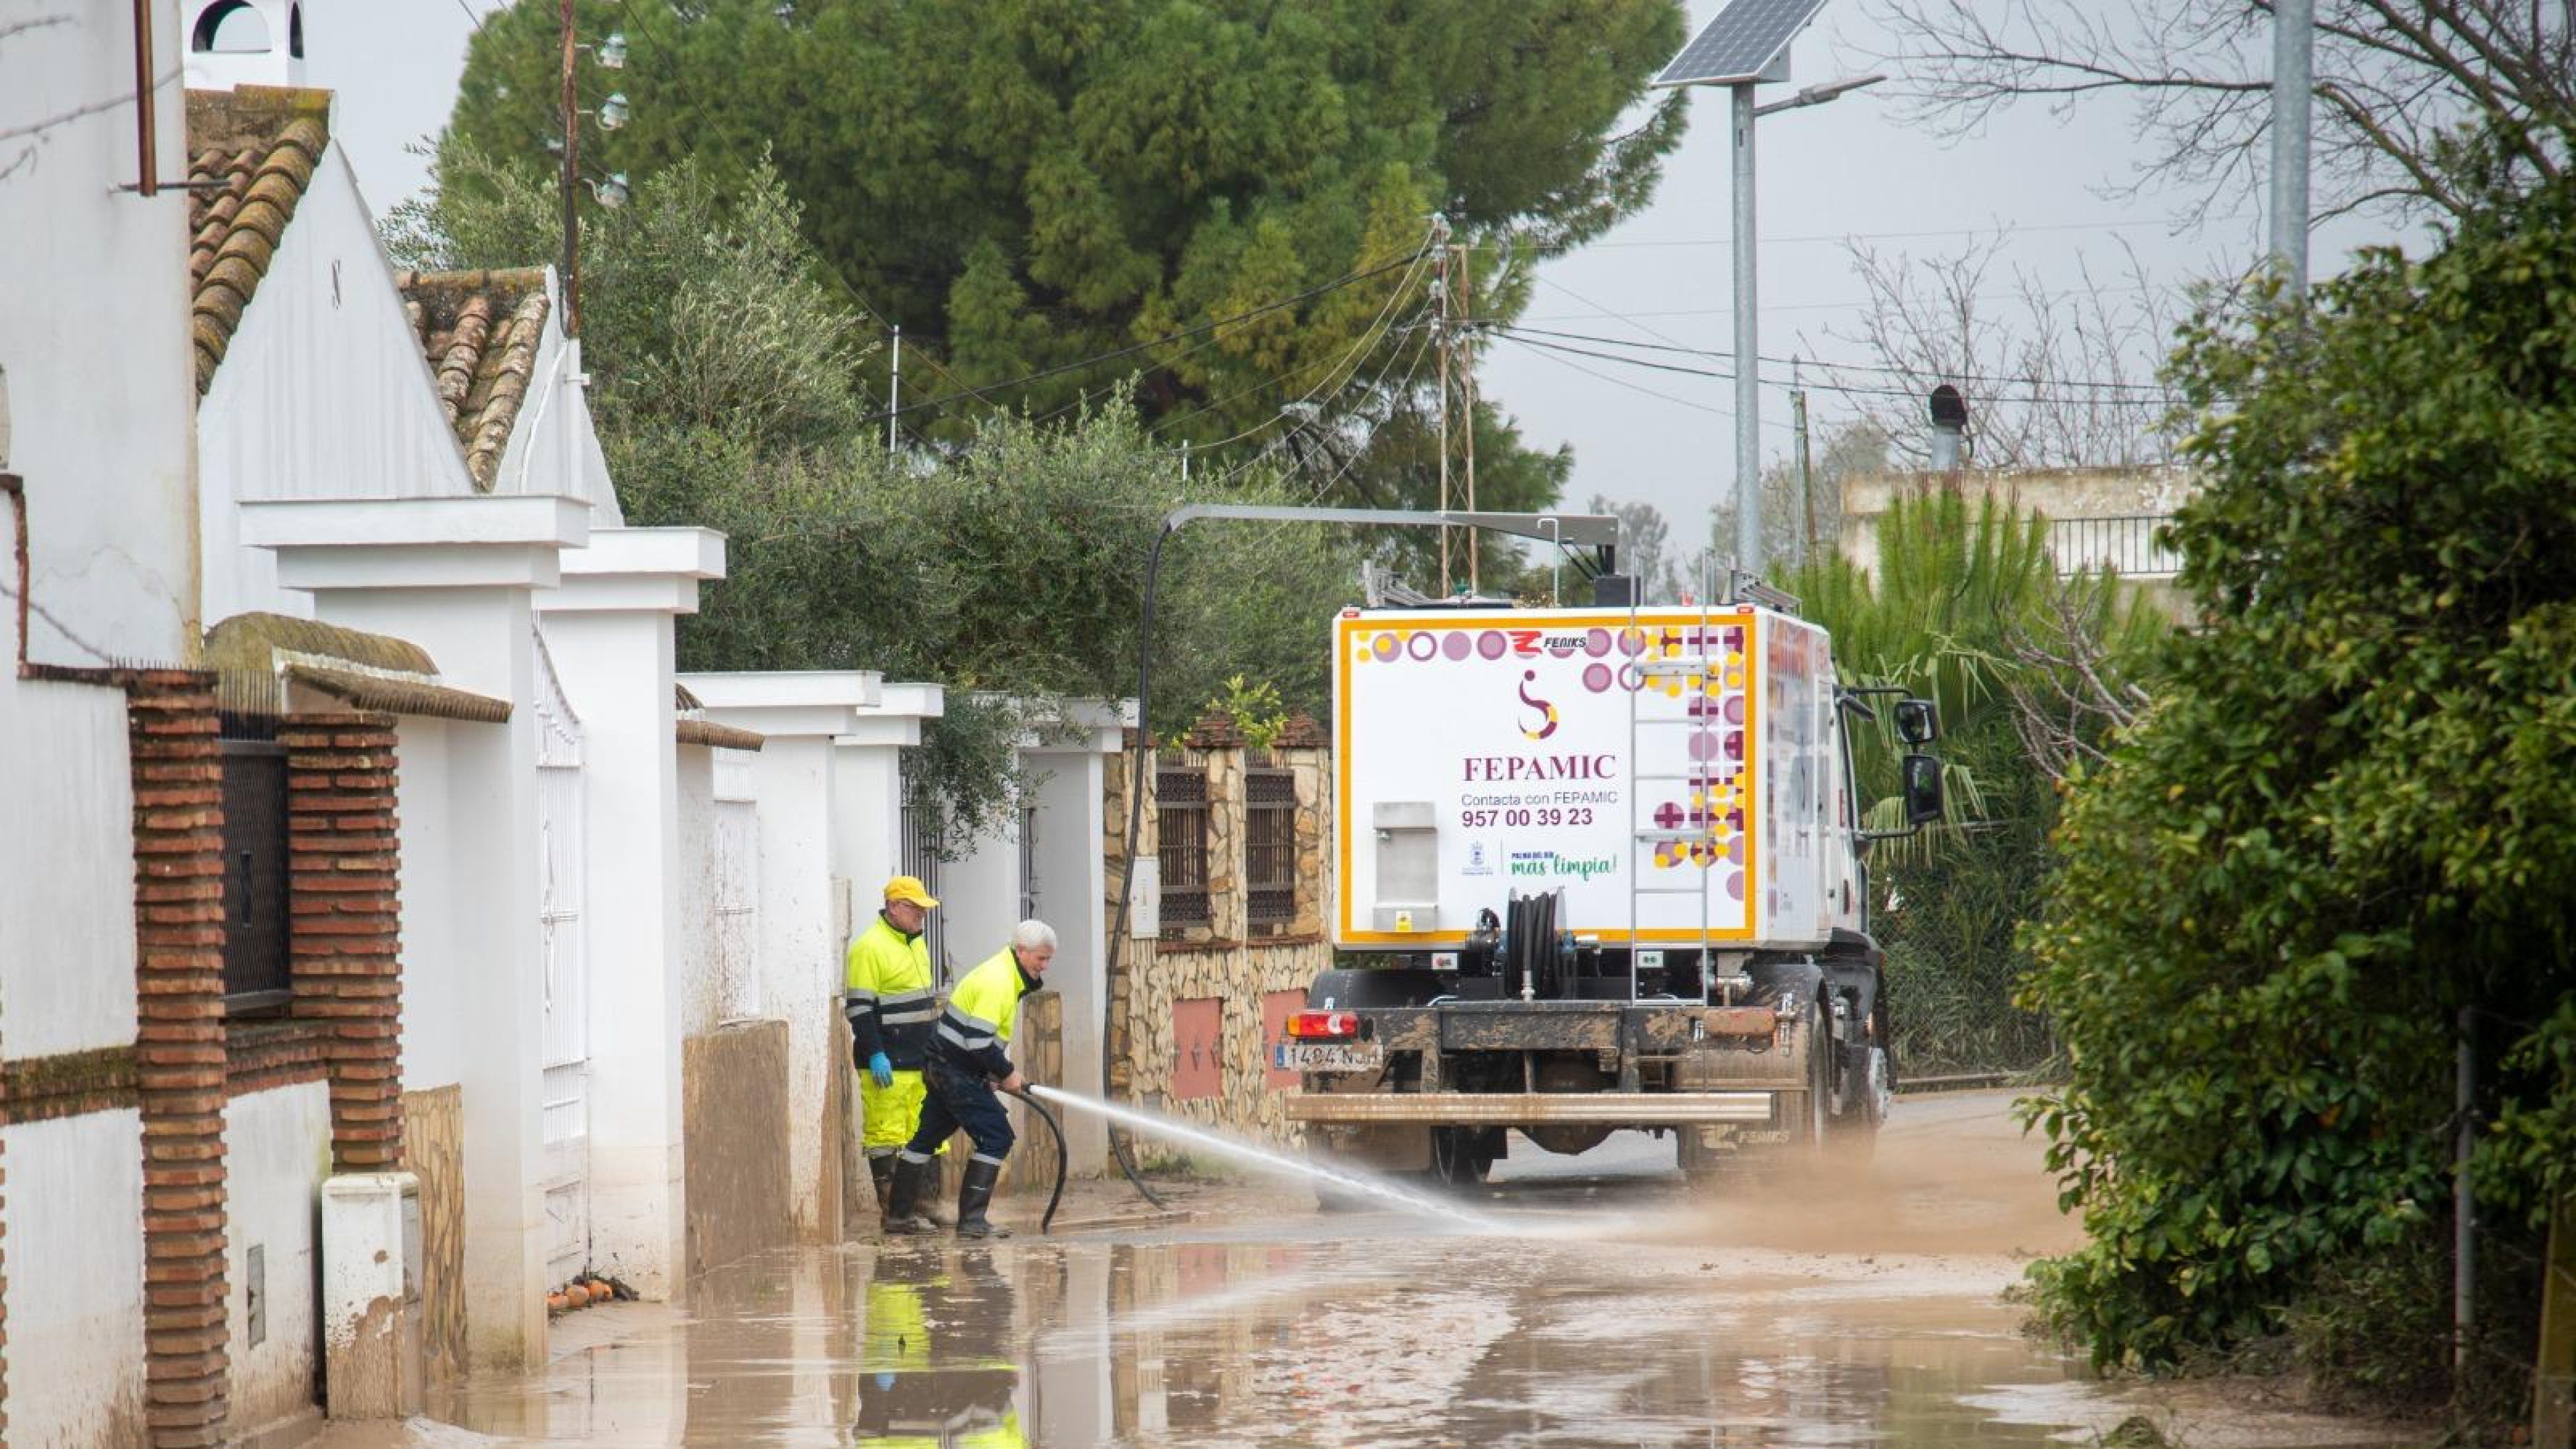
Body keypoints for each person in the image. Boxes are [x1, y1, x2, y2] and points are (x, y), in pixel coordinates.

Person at [884, 919, 1055, 1239]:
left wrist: (989, 1073)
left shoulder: (1003, 973)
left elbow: (973, 1040)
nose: (1044, 967)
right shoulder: (999, 981)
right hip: (953, 1070)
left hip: (947, 1065)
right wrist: (1006, 1073)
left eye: (1048, 959)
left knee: (926, 1138)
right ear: (1021, 951)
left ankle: (899, 1216)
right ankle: (973, 1221)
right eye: (1040, 958)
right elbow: (978, 1041)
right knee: (997, 1137)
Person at [845, 875, 945, 1229]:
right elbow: (859, 1008)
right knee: (885, 1136)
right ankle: (893, 1212)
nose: (922, 915)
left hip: (920, 1061)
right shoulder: (869, 948)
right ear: (894, 907)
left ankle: (924, 1205)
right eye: (915, 908)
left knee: (926, 1131)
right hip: (887, 1063)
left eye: (923, 909)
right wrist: (875, 1053)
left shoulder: (915, 943)